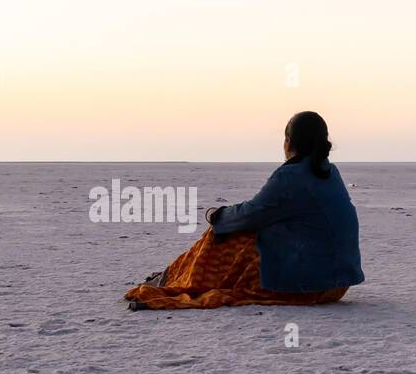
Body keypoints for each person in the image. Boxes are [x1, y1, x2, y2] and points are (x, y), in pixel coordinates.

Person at [124, 111, 364, 310]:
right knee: (242, 229)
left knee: (227, 234)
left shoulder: (291, 176)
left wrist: (218, 217)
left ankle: (179, 279)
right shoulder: (329, 172)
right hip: (337, 284)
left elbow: (252, 214)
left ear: (288, 142)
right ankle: (177, 276)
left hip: (311, 285)